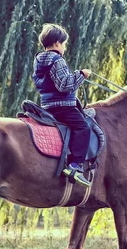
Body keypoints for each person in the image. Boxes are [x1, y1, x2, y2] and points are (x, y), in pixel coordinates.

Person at [33, 23, 92, 187]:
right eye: (64, 43)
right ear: (57, 43)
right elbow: (65, 86)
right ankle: (74, 166)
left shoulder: (38, 59)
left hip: (47, 105)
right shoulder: (57, 60)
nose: (64, 47)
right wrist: (81, 75)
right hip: (63, 106)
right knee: (83, 127)